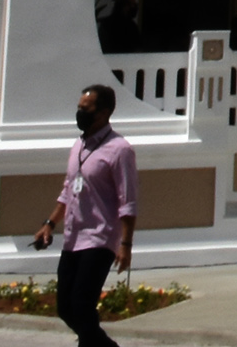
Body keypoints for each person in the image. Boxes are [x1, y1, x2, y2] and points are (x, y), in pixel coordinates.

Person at [31, 83, 136, 347]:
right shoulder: (79, 146)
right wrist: (49, 223)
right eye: (79, 108)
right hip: (73, 238)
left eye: (86, 109)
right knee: (65, 307)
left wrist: (125, 244)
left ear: (104, 113)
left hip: (100, 238)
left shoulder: (120, 149)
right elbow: (68, 191)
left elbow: (128, 201)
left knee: (81, 304)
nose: (80, 113)